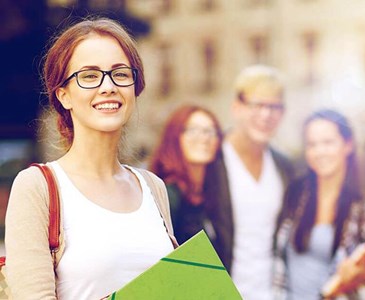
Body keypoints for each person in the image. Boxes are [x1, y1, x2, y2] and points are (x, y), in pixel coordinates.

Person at [5, 17, 177, 299]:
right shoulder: (38, 187)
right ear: (63, 96)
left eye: (120, 73)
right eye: (89, 76)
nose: (108, 86)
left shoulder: (153, 187)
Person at [272, 109, 365, 299]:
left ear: (348, 145)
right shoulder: (295, 194)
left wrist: (362, 275)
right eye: (312, 144)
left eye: (328, 143)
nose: (319, 152)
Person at [203, 64, 294, 300]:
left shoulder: (284, 166)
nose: (266, 115)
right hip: (221, 293)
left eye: (274, 107)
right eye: (257, 105)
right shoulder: (211, 161)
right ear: (237, 107)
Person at [150, 105, 222, 244]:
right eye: (192, 130)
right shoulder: (168, 195)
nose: (204, 138)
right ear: (174, 137)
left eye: (210, 131)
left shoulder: (212, 194)